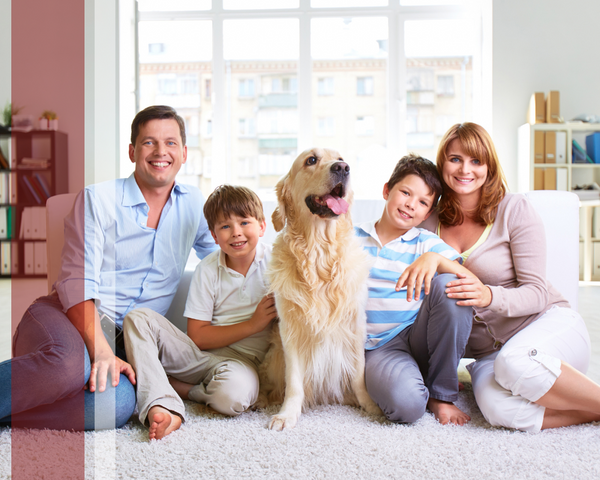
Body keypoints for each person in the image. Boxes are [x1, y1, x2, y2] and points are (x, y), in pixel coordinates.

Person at [0, 105, 217, 430]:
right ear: (132, 151)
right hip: (66, 316)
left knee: (116, 405)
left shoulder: (194, 203)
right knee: (68, 366)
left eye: (171, 143)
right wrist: (101, 350)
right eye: (149, 142)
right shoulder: (98, 199)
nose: (161, 152)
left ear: (184, 153)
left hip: (128, 341)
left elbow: (225, 258)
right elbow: (76, 281)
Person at [407, 122, 600, 432]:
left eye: (476, 161)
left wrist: (489, 295)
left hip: (547, 326)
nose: (464, 169)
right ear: (442, 163)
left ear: (489, 166)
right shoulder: (428, 221)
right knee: (500, 412)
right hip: (488, 355)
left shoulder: (513, 209)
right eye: (455, 159)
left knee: (513, 363)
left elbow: (536, 293)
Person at [123, 184, 277, 440]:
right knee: (137, 318)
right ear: (214, 236)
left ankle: (182, 389)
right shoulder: (208, 269)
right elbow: (198, 336)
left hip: (245, 364)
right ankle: (161, 403)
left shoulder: (276, 263)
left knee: (233, 397)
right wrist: (253, 324)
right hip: (200, 357)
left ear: (262, 226)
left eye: (244, 222)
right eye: (225, 226)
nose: (236, 233)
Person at [356, 154, 475, 426]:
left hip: (419, 336)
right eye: (405, 193)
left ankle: (441, 394)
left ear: (428, 212)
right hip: (379, 347)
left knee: (452, 285)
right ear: (387, 190)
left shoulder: (427, 242)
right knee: (407, 407)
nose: (411, 205)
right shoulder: (350, 236)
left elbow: (471, 282)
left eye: (423, 202)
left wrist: (436, 260)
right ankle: (415, 384)